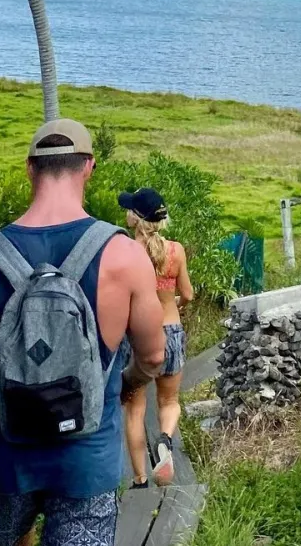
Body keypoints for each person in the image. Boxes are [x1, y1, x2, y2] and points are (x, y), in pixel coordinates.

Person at [0, 120, 166, 546]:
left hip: (10, 458)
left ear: (30, 168)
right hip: (88, 460)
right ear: (89, 167)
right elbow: (154, 356)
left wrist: (1, 411)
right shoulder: (124, 255)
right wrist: (123, 387)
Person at [119, 187, 194, 489]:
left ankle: (140, 480)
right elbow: (187, 294)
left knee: (135, 410)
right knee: (170, 400)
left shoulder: (126, 251)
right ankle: (165, 440)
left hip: (138, 337)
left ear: (136, 219)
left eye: (129, 210)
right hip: (171, 331)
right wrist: (175, 304)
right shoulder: (176, 251)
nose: (125, 214)